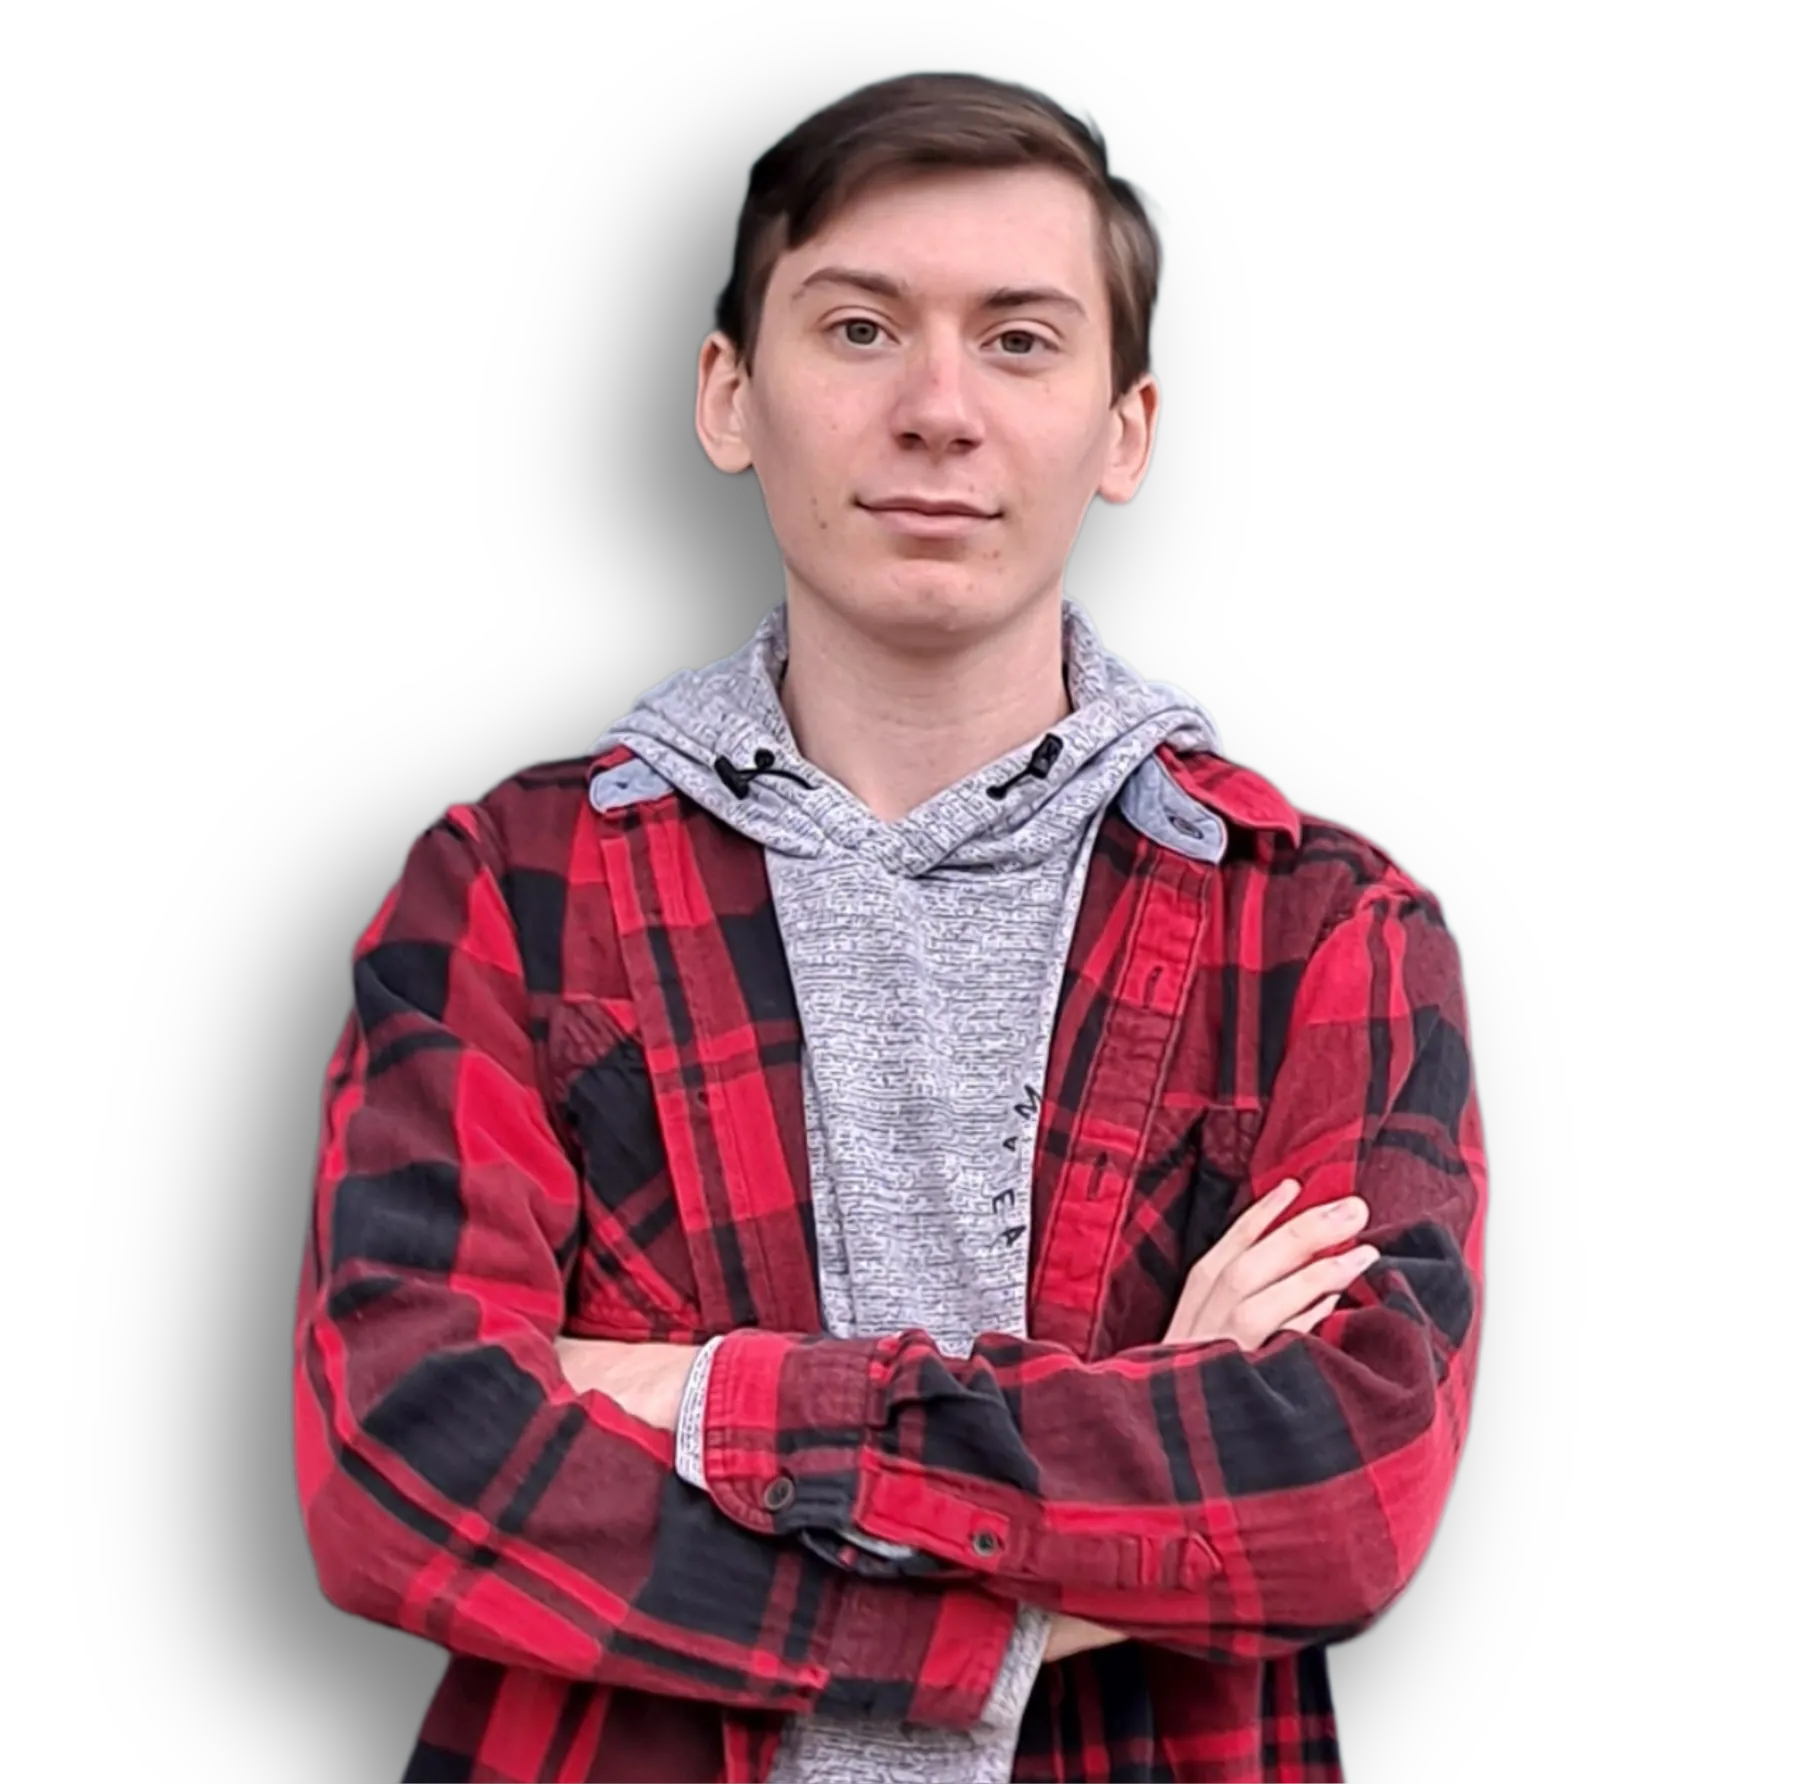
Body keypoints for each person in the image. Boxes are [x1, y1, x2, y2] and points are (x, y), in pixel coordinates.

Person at [292, 67, 1490, 1784]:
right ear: (728, 395)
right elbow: (394, 1472)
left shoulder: (1324, 928)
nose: (937, 408)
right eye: (858, 330)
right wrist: (1095, 1511)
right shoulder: (509, 882)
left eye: (1019, 340)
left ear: (1126, 428)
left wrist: (687, 1397)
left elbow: (1345, 1496)